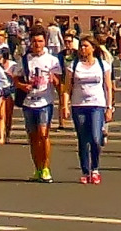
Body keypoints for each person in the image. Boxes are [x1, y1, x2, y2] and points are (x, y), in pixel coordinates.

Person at [68, 35, 112, 185]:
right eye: (81, 46)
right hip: (78, 105)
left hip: (97, 104)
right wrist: (64, 105)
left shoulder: (102, 65)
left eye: (86, 46)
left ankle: (95, 168)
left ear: (93, 48)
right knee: (83, 139)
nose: (83, 49)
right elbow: (67, 88)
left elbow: (108, 86)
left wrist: (109, 107)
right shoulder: (74, 65)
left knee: (95, 137)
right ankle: (85, 171)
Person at [21, 29, 63, 181]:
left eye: (40, 41)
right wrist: (21, 86)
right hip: (28, 102)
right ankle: (37, 168)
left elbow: (60, 83)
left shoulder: (52, 60)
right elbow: (15, 78)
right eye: (34, 41)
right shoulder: (25, 59)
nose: (37, 44)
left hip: (45, 102)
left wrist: (54, 80)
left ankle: (45, 167)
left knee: (43, 134)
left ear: (45, 42)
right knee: (32, 137)